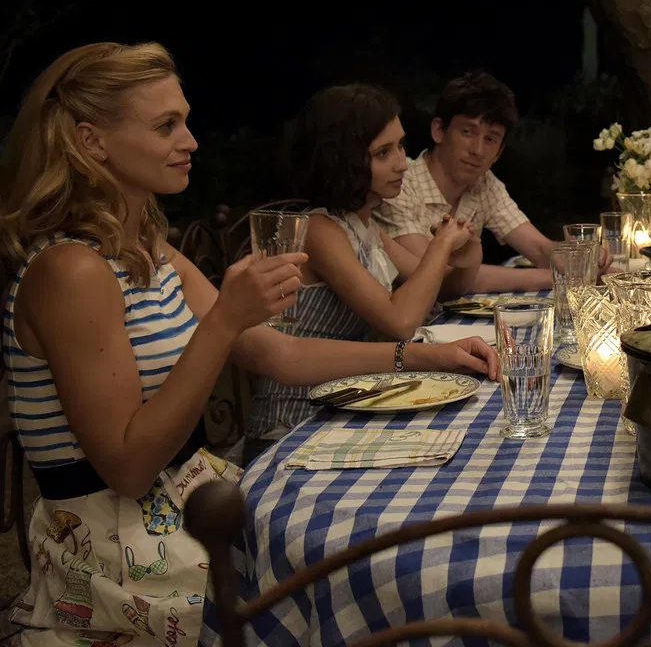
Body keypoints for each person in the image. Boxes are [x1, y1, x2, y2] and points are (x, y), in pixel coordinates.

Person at [0, 42, 499, 646]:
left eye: (185, 121)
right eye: (166, 126)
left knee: (382, 551)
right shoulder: (71, 271)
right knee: (359, 593)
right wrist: (223, 321)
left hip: (191, 500)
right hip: (115, 552)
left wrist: (420, 356)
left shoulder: (150, 250)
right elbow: (129, 469)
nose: (191, 141)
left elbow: (277, 353)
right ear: (92, 141)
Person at [243, 83, 484, 463]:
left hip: (345, 408)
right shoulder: (320, 230)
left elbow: (445, 289)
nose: (402, 163)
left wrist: (466, 253)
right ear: (344, 159)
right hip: (293, 428)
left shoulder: (365, 227)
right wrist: (440, 246)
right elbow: (400, 321)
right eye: (383, 153)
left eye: (401, 146)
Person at [374, 71, 562, 292]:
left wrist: (583, 261)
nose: (478, 150)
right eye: (467, 132)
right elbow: (436, 276)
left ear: (499, 152)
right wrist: (552, 278)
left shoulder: (484, 182)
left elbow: (540, 249)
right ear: (439, 131)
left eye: (490, 139)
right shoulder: (398, 181)